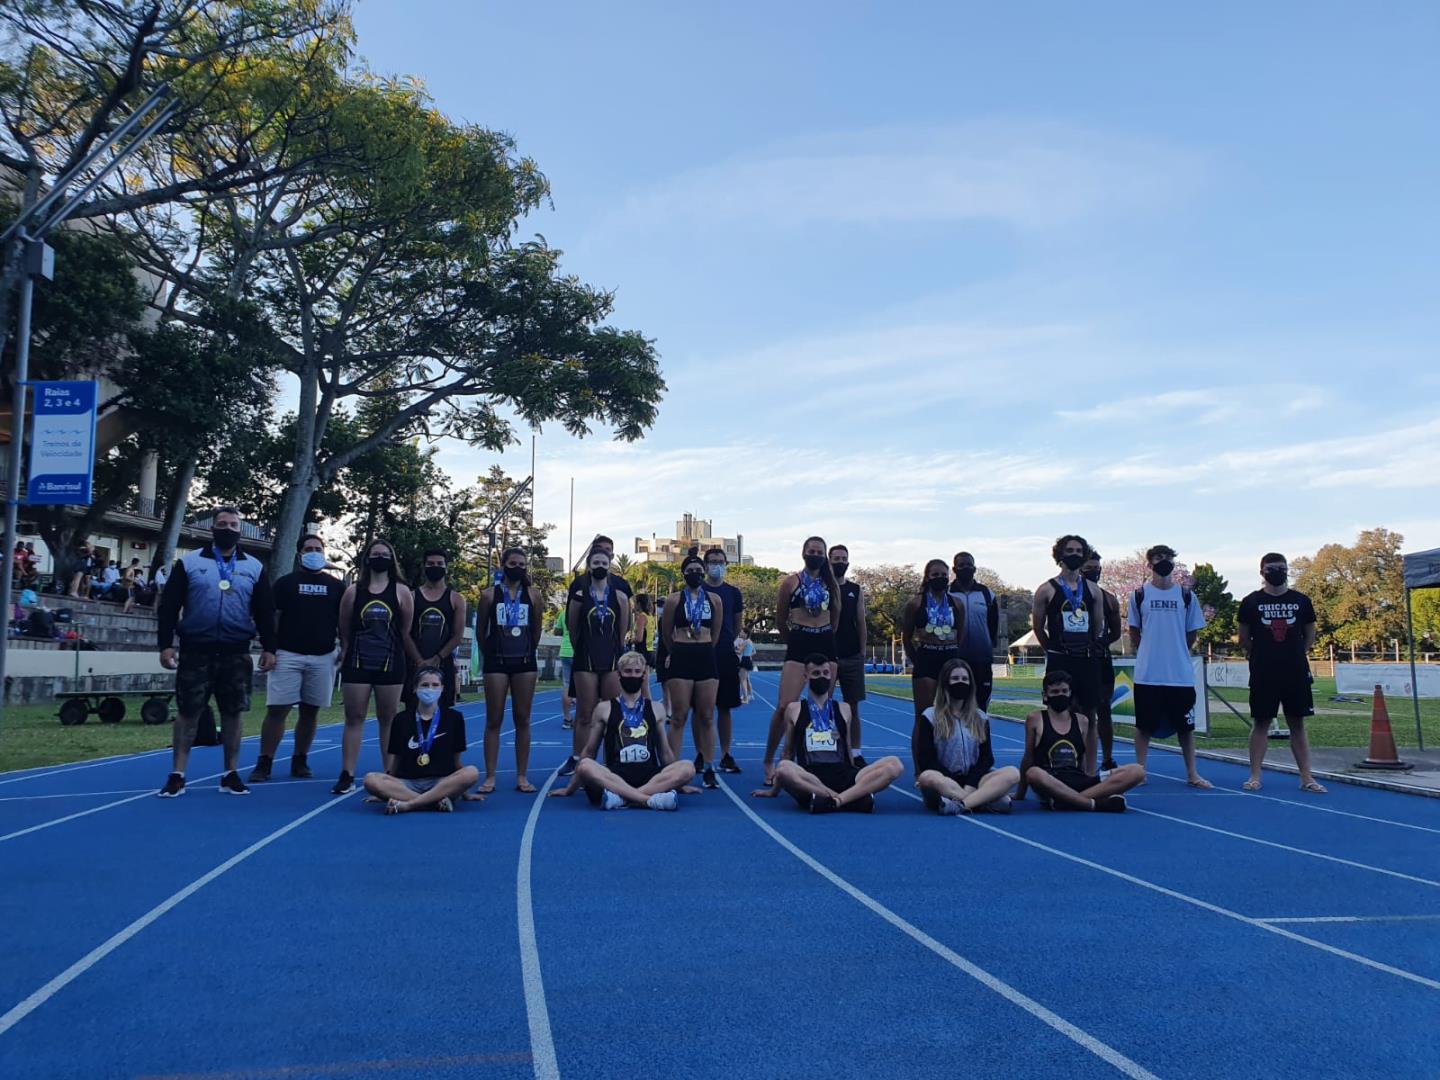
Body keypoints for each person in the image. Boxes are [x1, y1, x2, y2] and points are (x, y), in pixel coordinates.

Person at [155, 508, 277, 798]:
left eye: (234, 524)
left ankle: (230, 773)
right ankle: (177, 774)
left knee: (233, 713)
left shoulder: (254, 567)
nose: (228, 528)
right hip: (196, 650)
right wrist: (165, 644)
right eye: (222, 524)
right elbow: (170, 606)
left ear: (241, 530)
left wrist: (270, 647)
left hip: (236, 651)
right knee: (188, 713)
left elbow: (264, 611)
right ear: (213, 529)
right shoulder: (190, 562)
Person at [752, 654, 903, 813]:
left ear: (832, 676)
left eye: (825, 673)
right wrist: (774, 791)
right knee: (783, 768)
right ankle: (850, 799)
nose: (822, 677)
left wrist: (856, 774)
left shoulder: (844, 709)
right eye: (816, 674)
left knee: (894, 764)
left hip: (844, 774)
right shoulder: (794, 709)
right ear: (806, 676)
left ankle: (835, 801)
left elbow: (848, 748)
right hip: (810, 778)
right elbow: (787, 752)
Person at [250, 533, 343, 782]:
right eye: (309, 548)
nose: (314, 552)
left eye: (318, 549)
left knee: (310, 711)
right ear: (300, 553)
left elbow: (343, 621)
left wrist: (344, 646)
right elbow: (271, 617)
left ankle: (300, 759)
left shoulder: (336, 586)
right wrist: (269, 648)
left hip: (323, 656)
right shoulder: (285, 583)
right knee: (277, 709)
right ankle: (265, 761)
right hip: (287, 654)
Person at [550, 651, 695, 810]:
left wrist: (679, 782)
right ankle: (649, 800)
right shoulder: (604, 708)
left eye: (637, 672)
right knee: (585, 765)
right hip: (614, 777)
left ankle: (622, 799)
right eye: (627, 671)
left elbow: (665, 753)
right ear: (619, 675)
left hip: (649, 777)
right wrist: (570, 788)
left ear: (644, 675)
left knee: (688, 767)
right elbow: (590, 751)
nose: (632, 676)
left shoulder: (656, 708)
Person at [1238, 553, 1326, 793]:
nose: (1277, 572)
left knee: (1297, 723)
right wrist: (1262, 654)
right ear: (1261, 571)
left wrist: (1296, 653)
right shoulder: (1250, 602)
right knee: (1261, 722)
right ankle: (1254, 775)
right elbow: (1244, 638)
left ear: (1287, 570)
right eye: (1271, 568)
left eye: (1281, 568)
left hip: (1295, 671)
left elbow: (1310, 634)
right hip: (1263, 671)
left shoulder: (1301, 601)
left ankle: (1307, 777)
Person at [334, 537, 415, 795]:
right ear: (367, 558)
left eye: (385, 554)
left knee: (388, 718)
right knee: (354, 717)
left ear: (391, 560)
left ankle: (390, 773)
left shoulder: (402, 592)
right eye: (375, 553)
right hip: (358, 662)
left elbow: (405, 629)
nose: (380, 558)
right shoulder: (353, 591)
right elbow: (344, 625)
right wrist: (347, 649)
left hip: (391, 662)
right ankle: (347, 773)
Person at [1128, 544, 1210, 788]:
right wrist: (1150, 651)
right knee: (1144, 727)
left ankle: (1192, 774)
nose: (1164, 561)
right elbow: (1134, 631)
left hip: (1180, 675)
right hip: (1148, 675)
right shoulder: (1139, 595)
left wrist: (1177, 652)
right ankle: (1139, 772)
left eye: (1168, 557)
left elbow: (1192, 631)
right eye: (1158, 557)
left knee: (1186, 728)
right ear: (1150, 564)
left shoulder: (1186, 596)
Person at [761, 537, 842, 784]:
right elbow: (780, 618)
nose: (815, 555)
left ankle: (822, 761)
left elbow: (835, 615)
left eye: (820, 552)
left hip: (825, 642)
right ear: (803, 553)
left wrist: (825, 633)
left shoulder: (831, 583)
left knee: (823, 707)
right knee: (786, 705)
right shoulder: (790, 582)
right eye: (812, 551)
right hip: (799, 642)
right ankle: (770, 759)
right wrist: (795, 637)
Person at [1015, 670, 1145, 811]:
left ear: (1070, 693)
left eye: (1064, 691)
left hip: (1078, 779)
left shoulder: (1082, 720)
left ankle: (1067, 802)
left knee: (1137, 771)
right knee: (1033, 773)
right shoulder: (1035, 719)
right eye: (1055, 692)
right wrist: (1020, 793)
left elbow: (1081, 756)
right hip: (1050, 780)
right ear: (1045, 695)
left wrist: (1090, 780)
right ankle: (1092, 803)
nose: (1060, 695)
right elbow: (1028, 757)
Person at [474, 547, 543, 795]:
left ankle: (522, 776)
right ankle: (490, 776)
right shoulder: (488, 595)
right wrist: (490, 652)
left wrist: (528, 650)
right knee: (494, 720)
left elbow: (536, 629)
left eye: (522, 564)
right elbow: (481, 630)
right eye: (513, 563)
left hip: (524, 661)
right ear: (503, 566)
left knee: (523, 719)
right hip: (496, 662)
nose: (518, 568)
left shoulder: (534, 595)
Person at [362, 667, 479, 814]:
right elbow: (396, 761)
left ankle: (409, 804)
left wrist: (465, 791)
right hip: (408, 783)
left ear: (442, 688)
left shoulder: (454, 718)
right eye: (424, 685)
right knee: (370, 780)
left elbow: (456, 761)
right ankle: (434, 803)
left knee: (471, 772)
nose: (430, 689)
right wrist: (381, 789)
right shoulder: (401, 719)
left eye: (435, 685)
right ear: (415, 688)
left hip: (442, 782)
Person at [915, 658, 1020, 814]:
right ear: (945, 683)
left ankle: (961, 804)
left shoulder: (981, 717)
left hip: (975, 781)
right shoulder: (929, 716)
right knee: (927, 776)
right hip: (944, 782)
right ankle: (980, 801)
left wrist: (971, 783)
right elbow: (926, 760)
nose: (961, 682)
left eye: (965, 679)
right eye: (955, 678)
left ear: (971, 684)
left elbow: (987, 758)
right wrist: (952, 781)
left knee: (1012, 772)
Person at [560, 546, 630, 777]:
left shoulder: (619, 596)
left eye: (604, 563)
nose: (600, 567)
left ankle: (612, 759)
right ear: (589, 566)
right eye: (595, 563)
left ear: (609, 566)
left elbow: (622, 631)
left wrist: (617, 654)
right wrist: (584, 649)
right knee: (585, 713)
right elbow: (572, 629)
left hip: (610, 660)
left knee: (611, 712)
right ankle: (579, 758)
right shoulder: (580, 596)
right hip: (585, 660)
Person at [1031, 535, 1105, 730]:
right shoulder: (1046, 589)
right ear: (1060, 555)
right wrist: (1052, 650)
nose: (1075, 555)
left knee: (1089, 715)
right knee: (1058, 712)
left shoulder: (1094, 590)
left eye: (1079, 551)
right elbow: (1038, 627)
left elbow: (1097, 626)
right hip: (1060, 659)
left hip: (1086, 659)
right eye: (1070, 551)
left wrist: (1087, 645)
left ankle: (1088, 761)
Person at [662, 554, 721, 788]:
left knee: (706, 716)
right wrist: (676, 650)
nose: (695, 573)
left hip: (706, 655)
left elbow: (715, 632)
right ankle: (671, 767)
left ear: (704, 571)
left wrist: (705, 647)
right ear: (684, 573)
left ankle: (708, 766)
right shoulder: (674, 600)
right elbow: (667, 632)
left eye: (699, 569)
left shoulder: (715, 599)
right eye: (690, 570)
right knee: (679, 716)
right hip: (682, 656)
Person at [901, 560, 967, 724]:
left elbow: (961, 634)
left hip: (950, 660)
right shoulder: (915, 603)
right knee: (924, 716)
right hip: (927, 659)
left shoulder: (957, 603)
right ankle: (922, 750)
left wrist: (955, 653)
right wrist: (917, 660)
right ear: (927, 577)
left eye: (944, 575)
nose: (940, 578)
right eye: (935, 575)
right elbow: (906, 637)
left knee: (953, 713)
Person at [1080, 550, 1125, 772]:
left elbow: (1116, 631)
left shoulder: (1108, 598)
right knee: (1076, 710)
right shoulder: (1067, 593)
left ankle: (1107, 758)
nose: (1093, 572)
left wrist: (1102, 642)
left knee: (1103, 709)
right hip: (1075, 659)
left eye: (1097, 569)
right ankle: (1078, 759)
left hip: (1101, 661)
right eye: (1088, 569)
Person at [703, 546, 745, 774]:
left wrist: (729, 641)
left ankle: (725, 753)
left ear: (725, 565)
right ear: (706, 565)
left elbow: (737, 623)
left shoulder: (733, 593)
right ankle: (702, 754)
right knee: (702, 709)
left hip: (725, 654)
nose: (716, 565)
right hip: (701, 654)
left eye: (720, 561)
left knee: (725, 708)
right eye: (712, 561)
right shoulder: (697, 588)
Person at [410, 548, 467, 709]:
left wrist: (437, 658)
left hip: (443, 664)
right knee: (414, 711)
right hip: (415, 664)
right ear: (424, 567)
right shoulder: (412, 596)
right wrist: (419, 660)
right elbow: (405, 632)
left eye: (439, 564)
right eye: (431, 564)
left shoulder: (456, 599)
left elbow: (457, 636)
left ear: (446, 568)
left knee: (444, 715)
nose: (435, 567)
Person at [830, 544, 868, 768]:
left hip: (852, 655)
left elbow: (860, 621)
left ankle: (856, 751)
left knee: (853, 707)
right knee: (823, 705)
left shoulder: (855, 589)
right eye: (836, 558)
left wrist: (862, 652)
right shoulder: (821, 587)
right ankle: (825, 748)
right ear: (829, 561)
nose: (840, 562)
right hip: (827, 655)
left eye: (844, 558)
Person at [949, 552, 999, 712]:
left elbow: (993, 624)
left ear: (975, 568)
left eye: (969, 565)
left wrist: (989, 646)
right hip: (955, 657)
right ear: (954, 568)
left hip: (981, 658)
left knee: (981, 706)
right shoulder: (946, 593)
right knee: (955, 705)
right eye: (961, 565)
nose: (966, 568)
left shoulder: (986, 593)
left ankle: (982, 737)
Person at [554, 610, 575, 729]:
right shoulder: (585, 608)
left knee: (567, 685)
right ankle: (584, 719)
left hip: (565, 651)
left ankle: (567, 719)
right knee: (584, 686)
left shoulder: (563, 613)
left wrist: (564, 631)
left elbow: (557, 630)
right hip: (579, 652)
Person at [736, 630, 755, 704]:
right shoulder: (750, 641)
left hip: (745, 660)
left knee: (742, 680)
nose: (740, 633)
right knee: (746, 679)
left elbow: (740, 651)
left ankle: (746, 698)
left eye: (742, 632)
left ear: (746, 634)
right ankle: (746, 696)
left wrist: (733, 649)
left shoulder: (746, 641)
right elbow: (752, 651)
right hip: (747, 660)